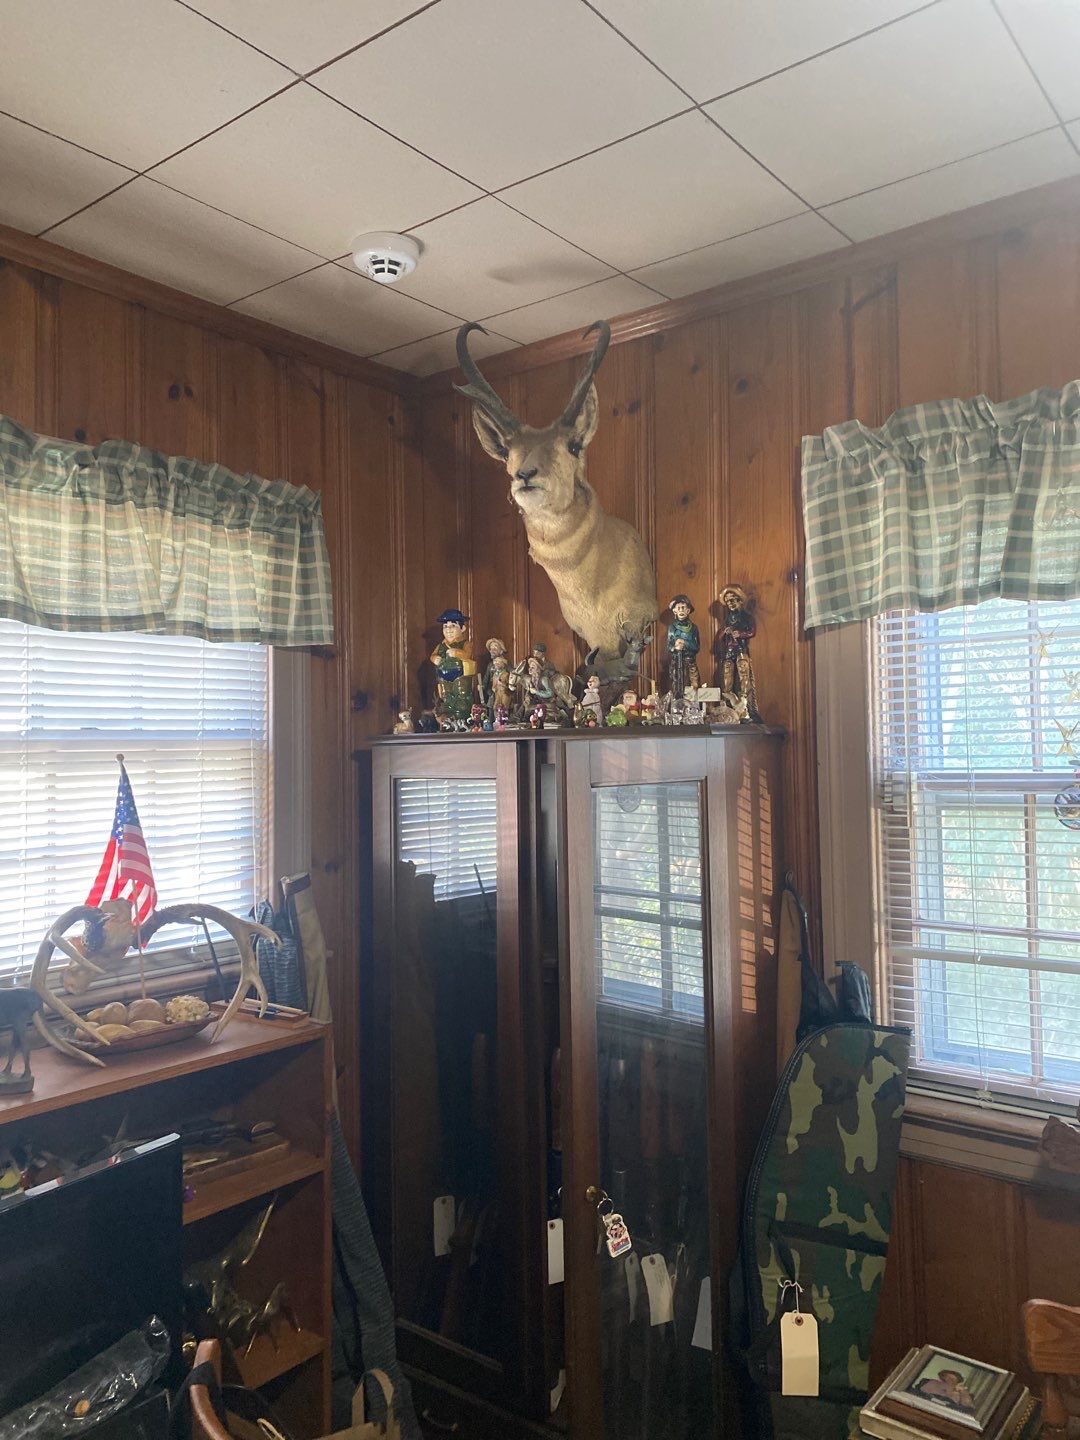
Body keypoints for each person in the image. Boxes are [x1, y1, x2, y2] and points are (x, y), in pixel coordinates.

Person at [430, 608, 477, 723]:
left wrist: (456, 653)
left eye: (453, 626)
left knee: (461, 696)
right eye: (445, 627)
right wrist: (435, 658)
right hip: (443, 677)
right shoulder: (441, 646)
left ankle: (461, 717)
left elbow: (467, 654)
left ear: (462, 628)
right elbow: (432, 656)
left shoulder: (465, 644)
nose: (448, 630)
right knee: (446, 697)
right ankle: (448, 718)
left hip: (460, 676)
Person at [666, 594, 701, 698]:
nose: (681, 610)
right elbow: (669, 646)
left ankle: (694, 708)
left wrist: (685, 643)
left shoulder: (694, 628)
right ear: (674, 611)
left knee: (694, 685)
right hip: (677, 662)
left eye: (683, 607)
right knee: (677, 687)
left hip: (690, 662)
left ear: (688, 610)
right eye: (678, 608)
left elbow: (696, 647)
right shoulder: (672, 628)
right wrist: (675, 647)